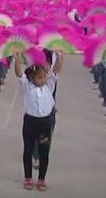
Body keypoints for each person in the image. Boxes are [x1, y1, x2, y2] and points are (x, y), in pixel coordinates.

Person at [15, 50, 65, 192]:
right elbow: (19, 74)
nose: (43, 80)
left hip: (45, 123)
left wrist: (60, 57)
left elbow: (55, 71)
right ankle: (28, 177)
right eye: (39, 78)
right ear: (32, 77)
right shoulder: (27, 86)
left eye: (44, 77)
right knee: (28, 150)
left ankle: (41, 178)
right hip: (30, 122)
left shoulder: (48, 86)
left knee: (44, 152)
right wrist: (17, 60)